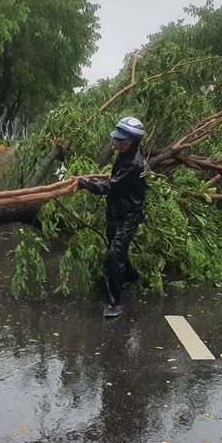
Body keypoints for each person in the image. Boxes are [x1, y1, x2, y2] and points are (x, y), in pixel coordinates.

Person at [77, 116, 146, 318]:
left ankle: (113, 303)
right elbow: (115, 180)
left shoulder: (134, 163)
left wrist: (85, 184)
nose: (118, 145)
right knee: (117, 248)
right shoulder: (125, 156)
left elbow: (111, 187)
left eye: (123, 142)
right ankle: (130, 277)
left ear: (133, 142)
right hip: (115, 211)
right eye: (118, 141)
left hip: (129, 216)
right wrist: (109, 176)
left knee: (113, 257)